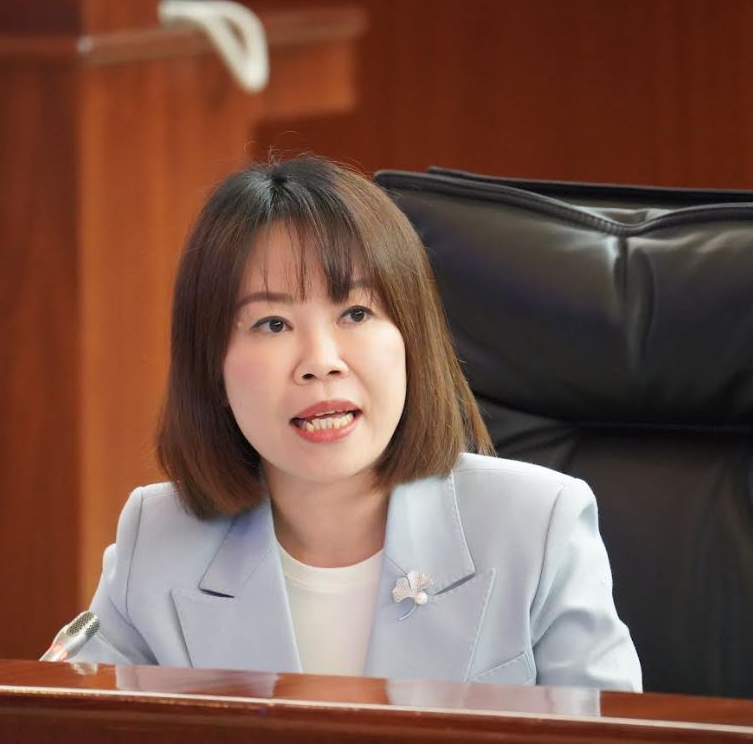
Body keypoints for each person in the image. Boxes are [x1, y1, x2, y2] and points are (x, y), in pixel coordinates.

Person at [71, 155, 641, 689]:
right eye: (272, 324)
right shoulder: (156, 540)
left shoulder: (537, 527)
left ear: (412, 339)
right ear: (211, 368)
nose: (321, 361)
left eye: (356, 312)